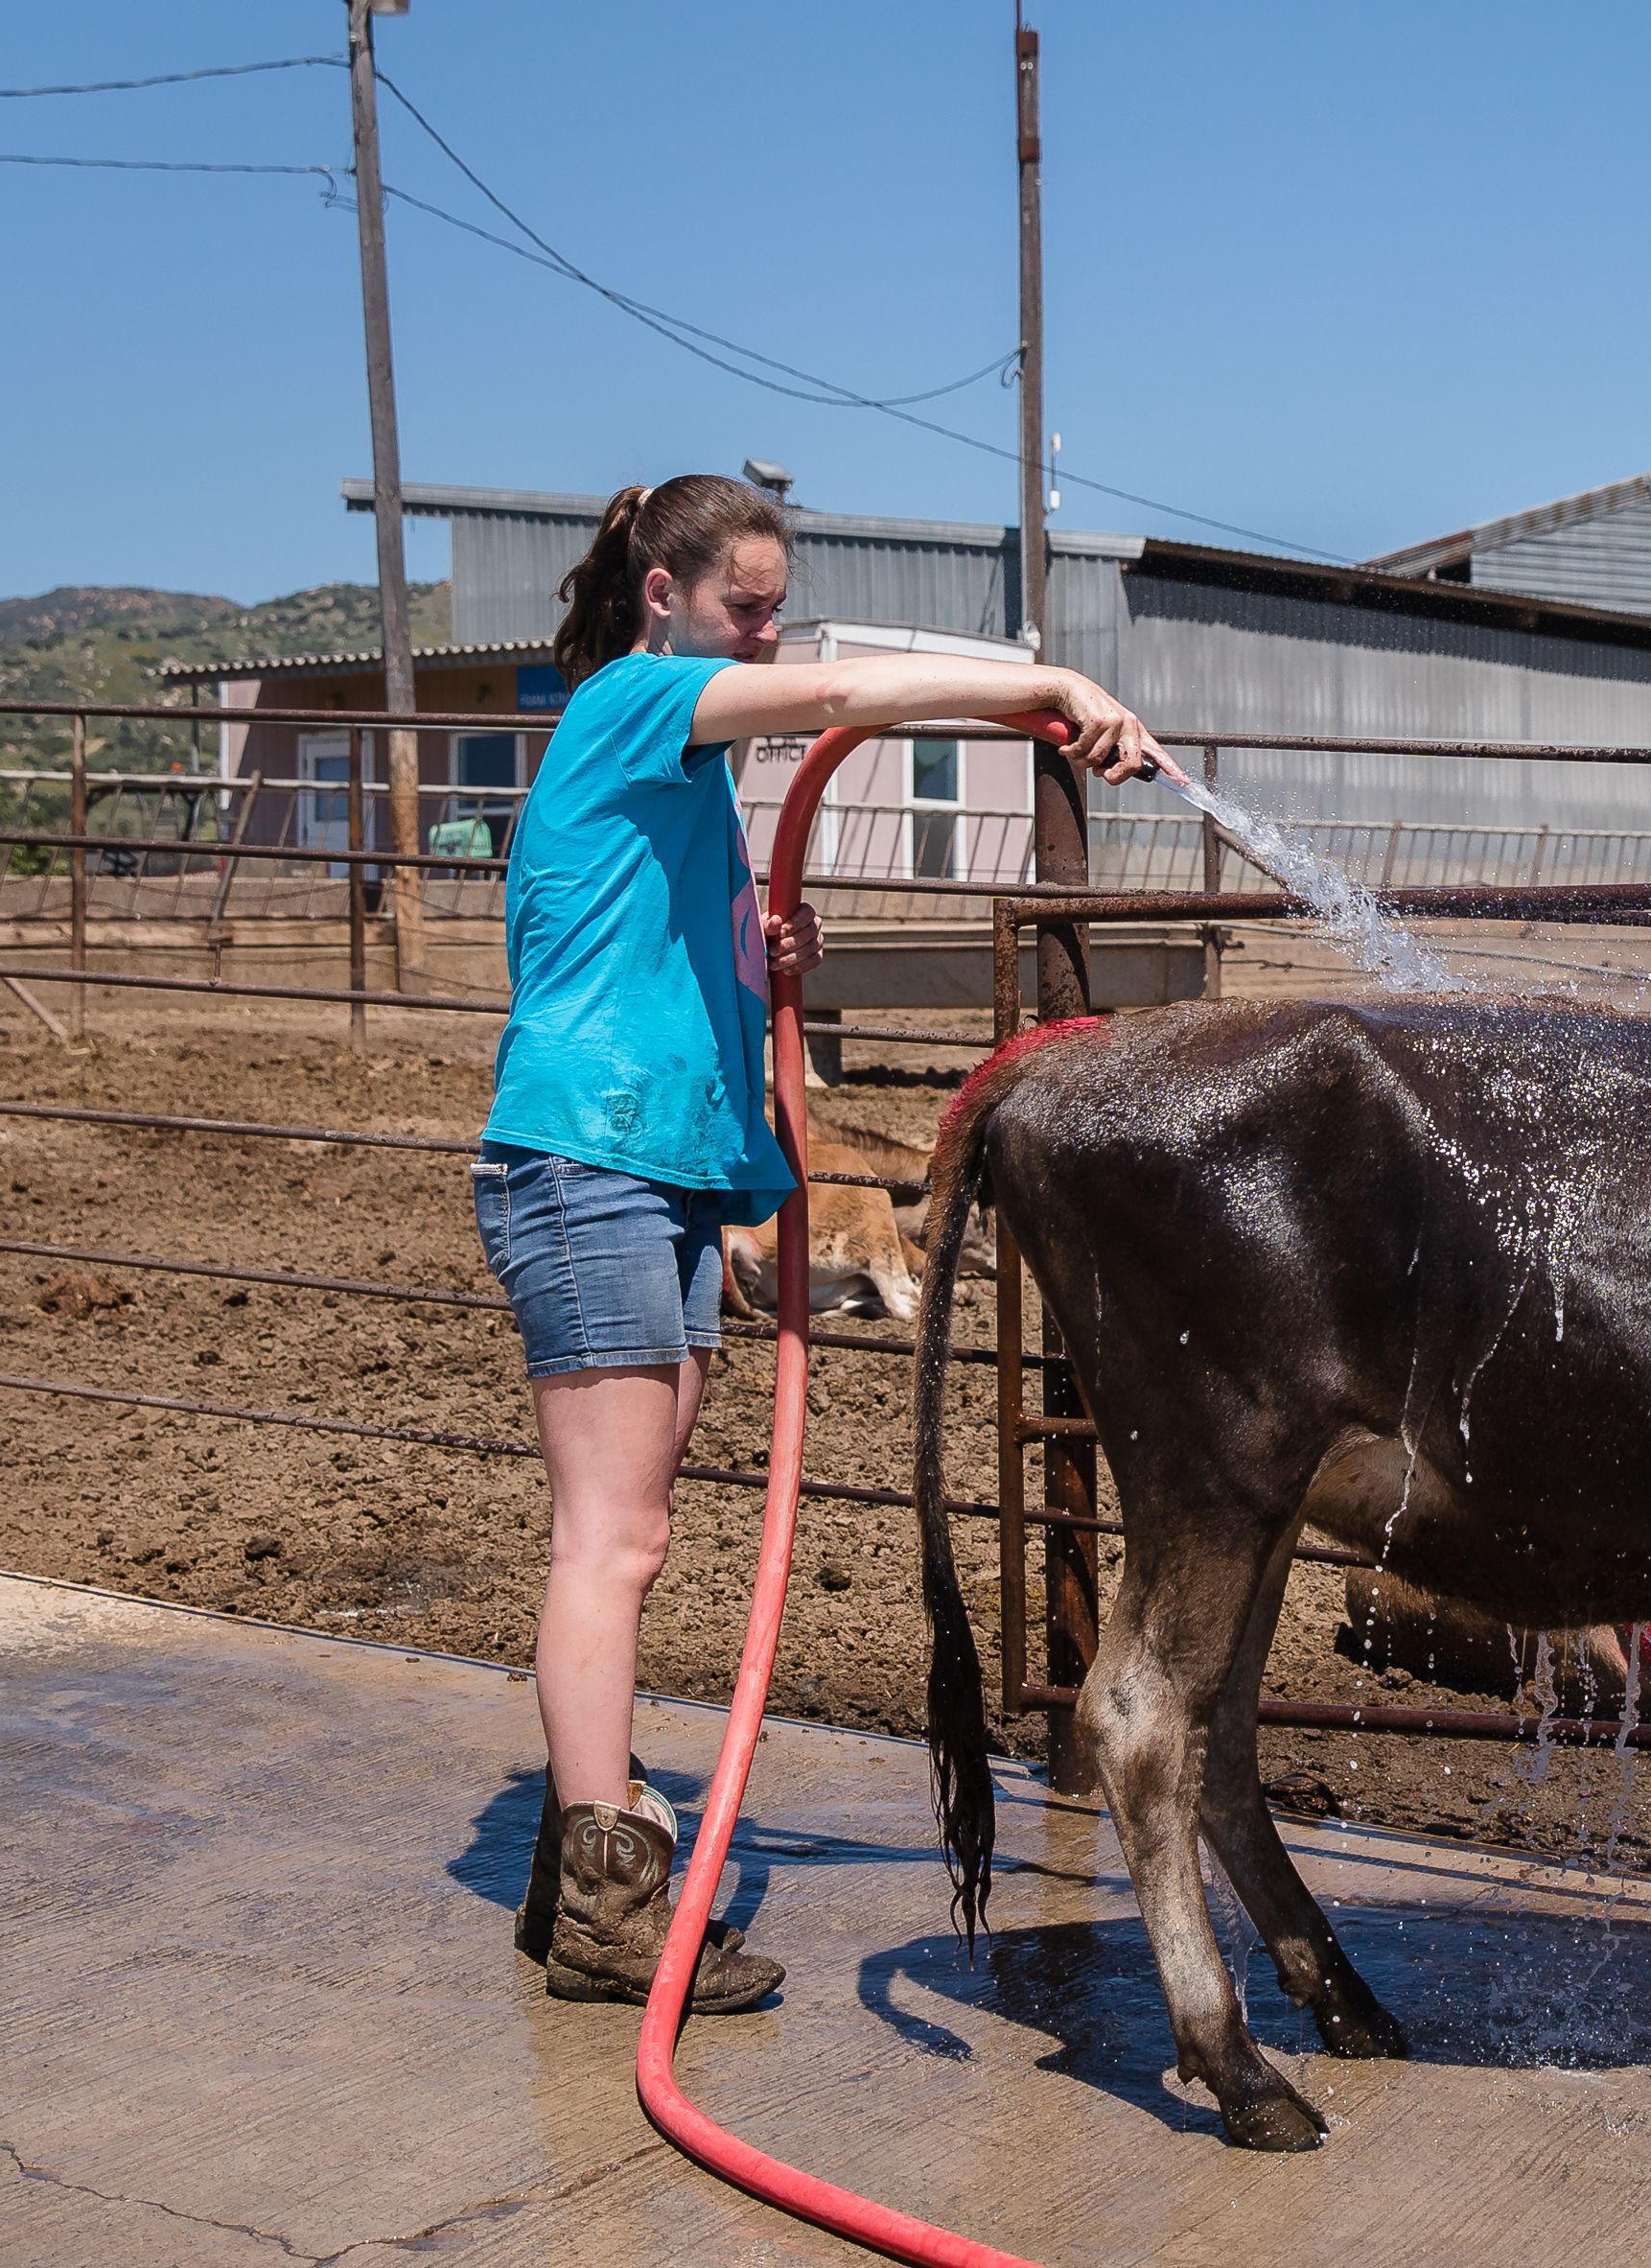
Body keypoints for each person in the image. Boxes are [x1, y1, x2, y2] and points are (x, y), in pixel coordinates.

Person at [477, 473, 1161, 2006]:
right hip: (589, 1163)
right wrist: (1047, 684)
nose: (768, 637)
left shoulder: (678, 769)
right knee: (610, 1539)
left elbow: (626, 945)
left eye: (777, 610)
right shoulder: (634, 701)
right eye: (746, 608)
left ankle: (579, 1852)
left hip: (656, 1170)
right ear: (664, 595)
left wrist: (759, 949)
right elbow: (846, 697)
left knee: (629, 1533)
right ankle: (603, 1903)